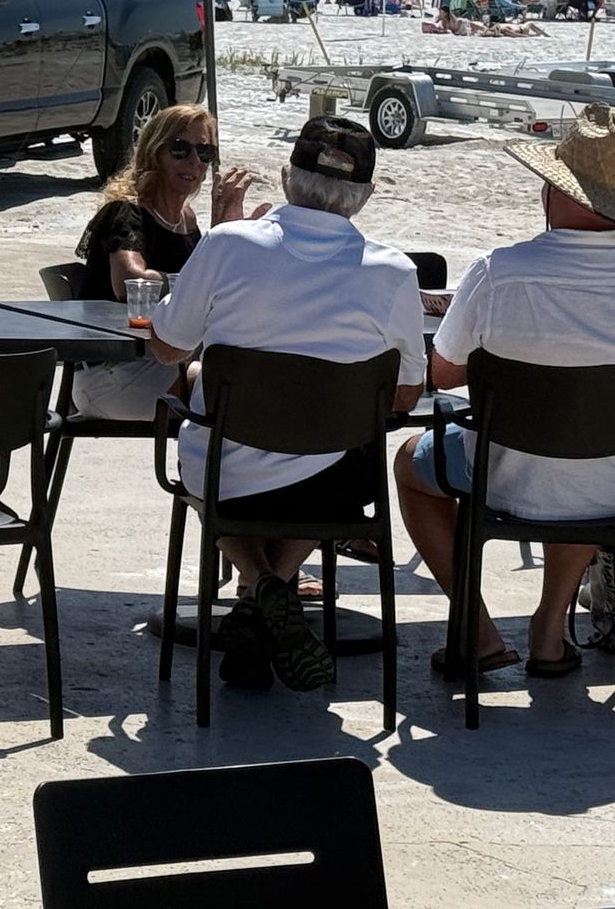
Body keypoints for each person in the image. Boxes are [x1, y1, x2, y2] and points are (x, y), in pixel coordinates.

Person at [149, 118, 425, 691]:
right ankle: (268, 592)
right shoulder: (395, 272)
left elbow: (168, 346)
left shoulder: (226, 244)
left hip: (229, 470)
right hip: (335, 484)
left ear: (285, 176)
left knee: (213, 452)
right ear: (366, 197)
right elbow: (404, 395)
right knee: (341, 452)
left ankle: (260, 585)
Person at [393, 105, 615, 679]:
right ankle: (547, 629)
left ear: (557, 191)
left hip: (506, 476)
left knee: (409, 466)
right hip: (608, 487)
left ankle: (477, 626)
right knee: (583, 466)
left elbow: (440, 375)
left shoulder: (500, 271)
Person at [69, 106, 263, 422]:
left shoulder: (186, 219)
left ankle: (208, 470)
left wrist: (228, 234)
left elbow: (213, 290)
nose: (194, 162)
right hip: (113, 374)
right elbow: (129, 281)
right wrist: (193, 281)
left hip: (165, 362)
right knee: (236, 397)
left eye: (204, 151)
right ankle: (206, 470)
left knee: (248, 382)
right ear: (155, 152)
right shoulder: (127, 211)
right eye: (180, 149)